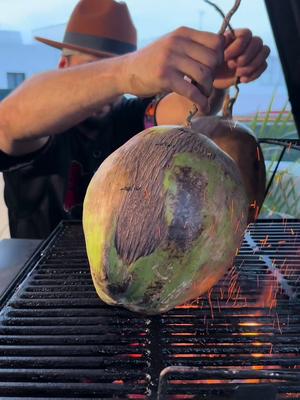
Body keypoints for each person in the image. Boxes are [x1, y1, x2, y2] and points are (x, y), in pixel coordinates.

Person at [0, 0, 270, 239]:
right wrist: (123, 71)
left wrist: (215, 78)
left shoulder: (128, 116)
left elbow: (183, 109)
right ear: (64, 68)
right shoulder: (44, 122)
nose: (107, 94)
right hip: (38, 287)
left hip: (131, 283)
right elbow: (8, 122)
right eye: (94, 66)